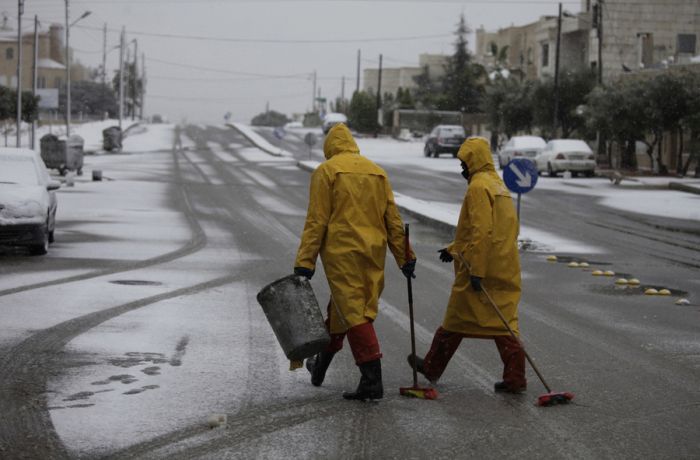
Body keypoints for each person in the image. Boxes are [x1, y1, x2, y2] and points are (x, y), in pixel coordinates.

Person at [294, 123, 416, 401]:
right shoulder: (377, 172)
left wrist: (305, 262)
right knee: (344, 310)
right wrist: (405, 257)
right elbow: (393, 221)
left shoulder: (327, 171)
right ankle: (319, 367)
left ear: (330, 147)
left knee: (355, 314)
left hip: (342, 253)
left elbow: (317, 221)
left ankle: (372, 381)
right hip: (373, 252)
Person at [408, 137, 526, 394]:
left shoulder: (478, 188)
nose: (462, 168)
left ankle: (431, 366)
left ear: (474, 161)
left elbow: (481, 233)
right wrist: (453, 250)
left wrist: (477, 270)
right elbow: (496, 232)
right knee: (504, 324)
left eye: (464, 163)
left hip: (481, 268)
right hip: (504, 266)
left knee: (455, 320)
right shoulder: (499, 186)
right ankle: (516, 378)